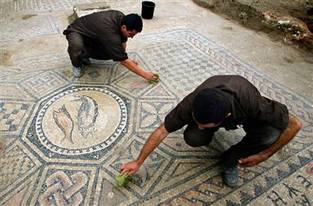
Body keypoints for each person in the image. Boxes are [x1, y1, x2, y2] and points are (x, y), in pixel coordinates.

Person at [120, 75, 302, 187]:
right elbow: (161, 131)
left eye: (205, 125)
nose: (199, 126)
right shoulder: (190, 103)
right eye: (197, 121)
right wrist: (138, 161)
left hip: (245, 112)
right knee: (193, 137)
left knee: (270, 134)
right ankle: (210, 134)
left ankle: (230, 159)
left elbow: (295, 125)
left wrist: (265, 155)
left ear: (227, 116)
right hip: (220, 108)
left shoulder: (252, 103)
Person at [63, 10, 158, 81]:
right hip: (76, 31)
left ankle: (84, 54)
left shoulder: (122, 18)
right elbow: (123, 60)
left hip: (92, 36)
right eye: (131, 34)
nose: (132, 37)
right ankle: (77, 63)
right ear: (124, 27)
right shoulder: (110, 33)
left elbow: (122, 44)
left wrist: (125, 58)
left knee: (113, 53)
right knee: (77, 46)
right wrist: (145, 75)